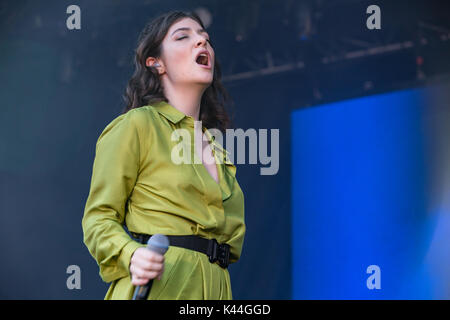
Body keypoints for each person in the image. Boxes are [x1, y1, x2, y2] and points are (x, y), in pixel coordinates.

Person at [82, 10, 246, 300]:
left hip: (217, 288)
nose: (202, 42)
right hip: (161, 284)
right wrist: (131, 254)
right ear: (155, 63)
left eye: (205, 38)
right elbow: (98, 218)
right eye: (184, 36)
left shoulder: (217, 148)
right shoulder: (137, 125)